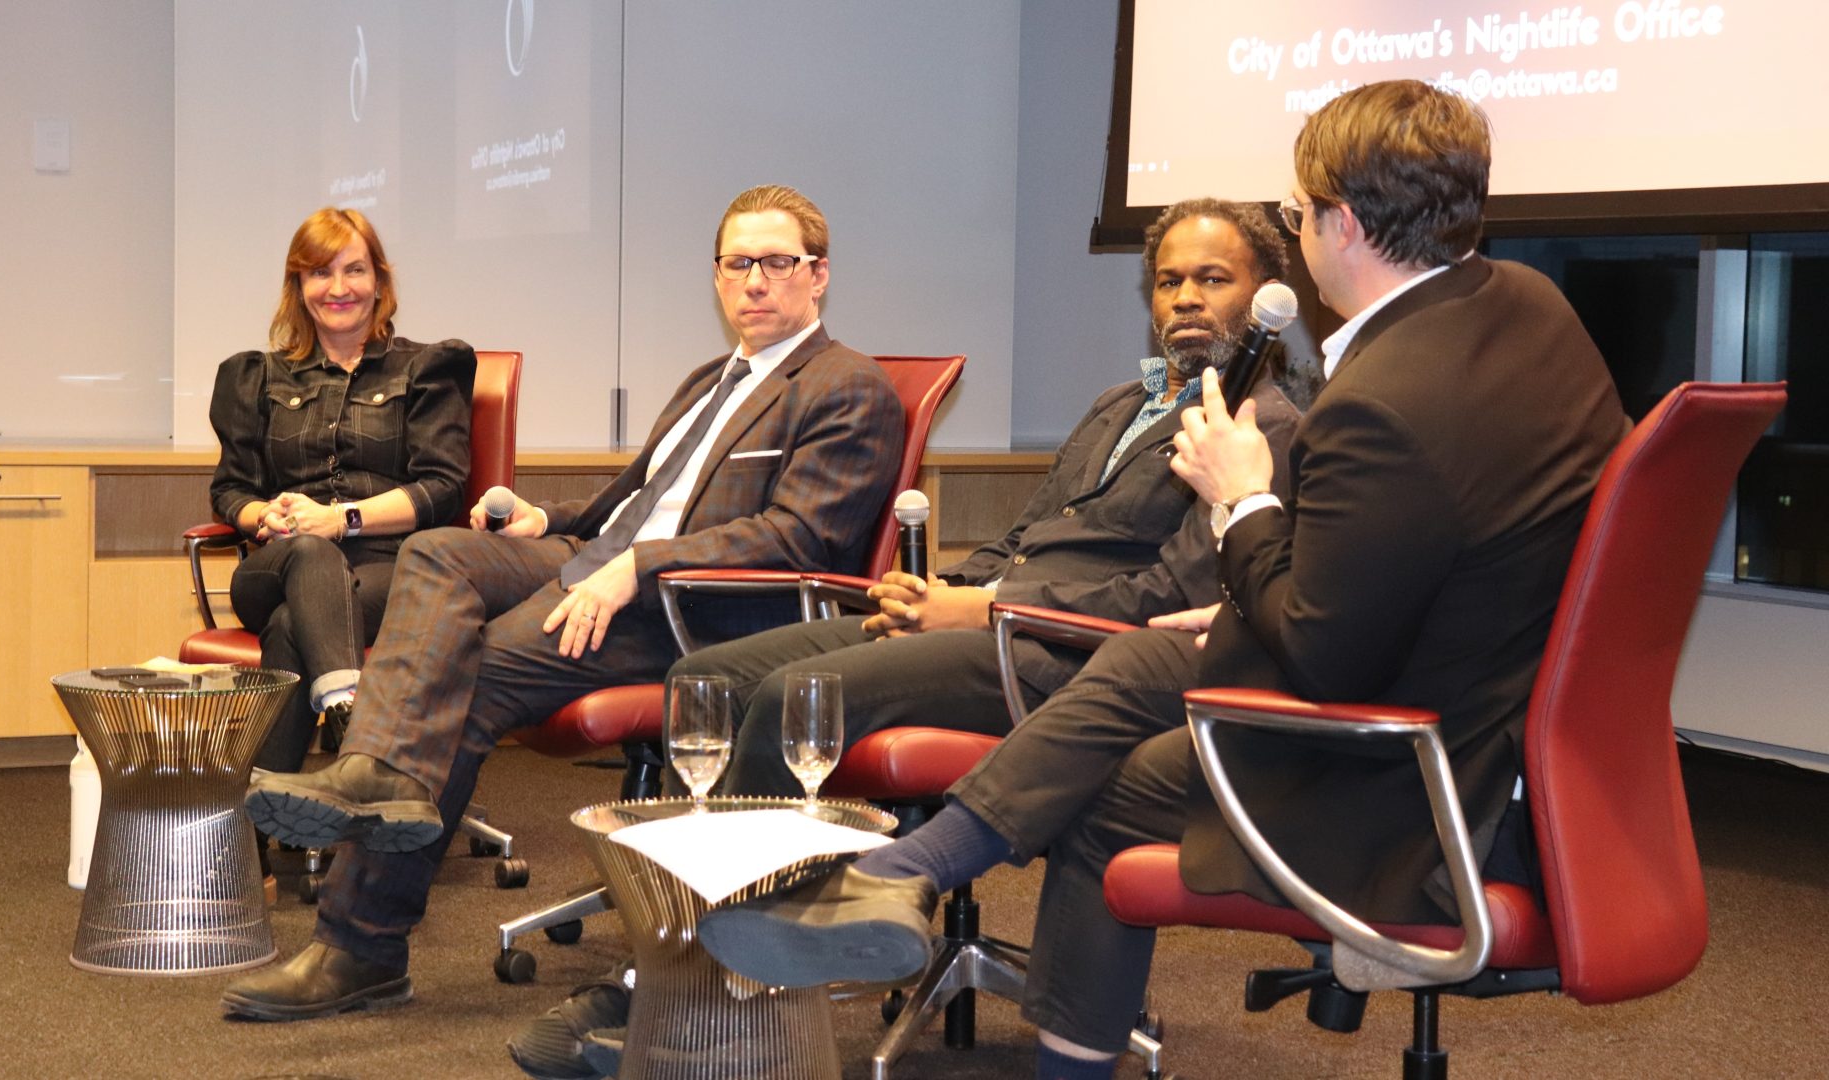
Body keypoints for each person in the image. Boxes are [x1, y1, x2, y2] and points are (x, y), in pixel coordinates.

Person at [698, 80, 1629, 1080]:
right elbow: (1403, 553)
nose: (1299, 230)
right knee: (1156, 655)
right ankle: (916, 870)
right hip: (1470, 695)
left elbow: (1322, 649)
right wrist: (1247, 579)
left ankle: (963, 934)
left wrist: (1242, 504)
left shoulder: (1381, 404)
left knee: (1111, 797)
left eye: (1298, 212)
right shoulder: (1528, 308)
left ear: (1342, 224)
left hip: (1404, 770)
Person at [511, 198, 1304, 1080]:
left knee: (793, 701)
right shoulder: (1123, 401)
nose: (1185, 298)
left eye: (1211, 279)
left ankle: (693, 988)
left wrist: (984, 607)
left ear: (1262, 293)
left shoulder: (1263, 427)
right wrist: (943, 590)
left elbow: (1171, 598)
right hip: (990, 616)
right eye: (1168, 281)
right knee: (713, 677)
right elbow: (1028, 530)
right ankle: (703, 956)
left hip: (1064, 654)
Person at [222, 184, 905, 1024]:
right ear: (717, 275)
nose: (755, 280)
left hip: (696, 614)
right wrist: (550, 520)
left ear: (818, 275)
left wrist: (638, 569)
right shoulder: (709, 379)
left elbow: (799, 538)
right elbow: (638, 498)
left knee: (461, 675)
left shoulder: (847, 385)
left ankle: (357, 945)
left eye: (777, 262)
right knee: (437, 550)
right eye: (737, 263)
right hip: (598, 565)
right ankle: (375, 773)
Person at [208, 207, 473, 775]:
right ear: (298, 286)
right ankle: (354, 727)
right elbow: (231, 490)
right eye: (319, 273)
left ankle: (260, 819)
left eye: (353, 270)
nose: (338, 288)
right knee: (308, 554)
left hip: (389, 567)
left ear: (379, 280)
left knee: (289, 626)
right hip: (278, 562)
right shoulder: (257, 377)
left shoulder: (425, 368)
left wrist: (341, 519)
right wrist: (266, 516)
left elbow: (442, 489)